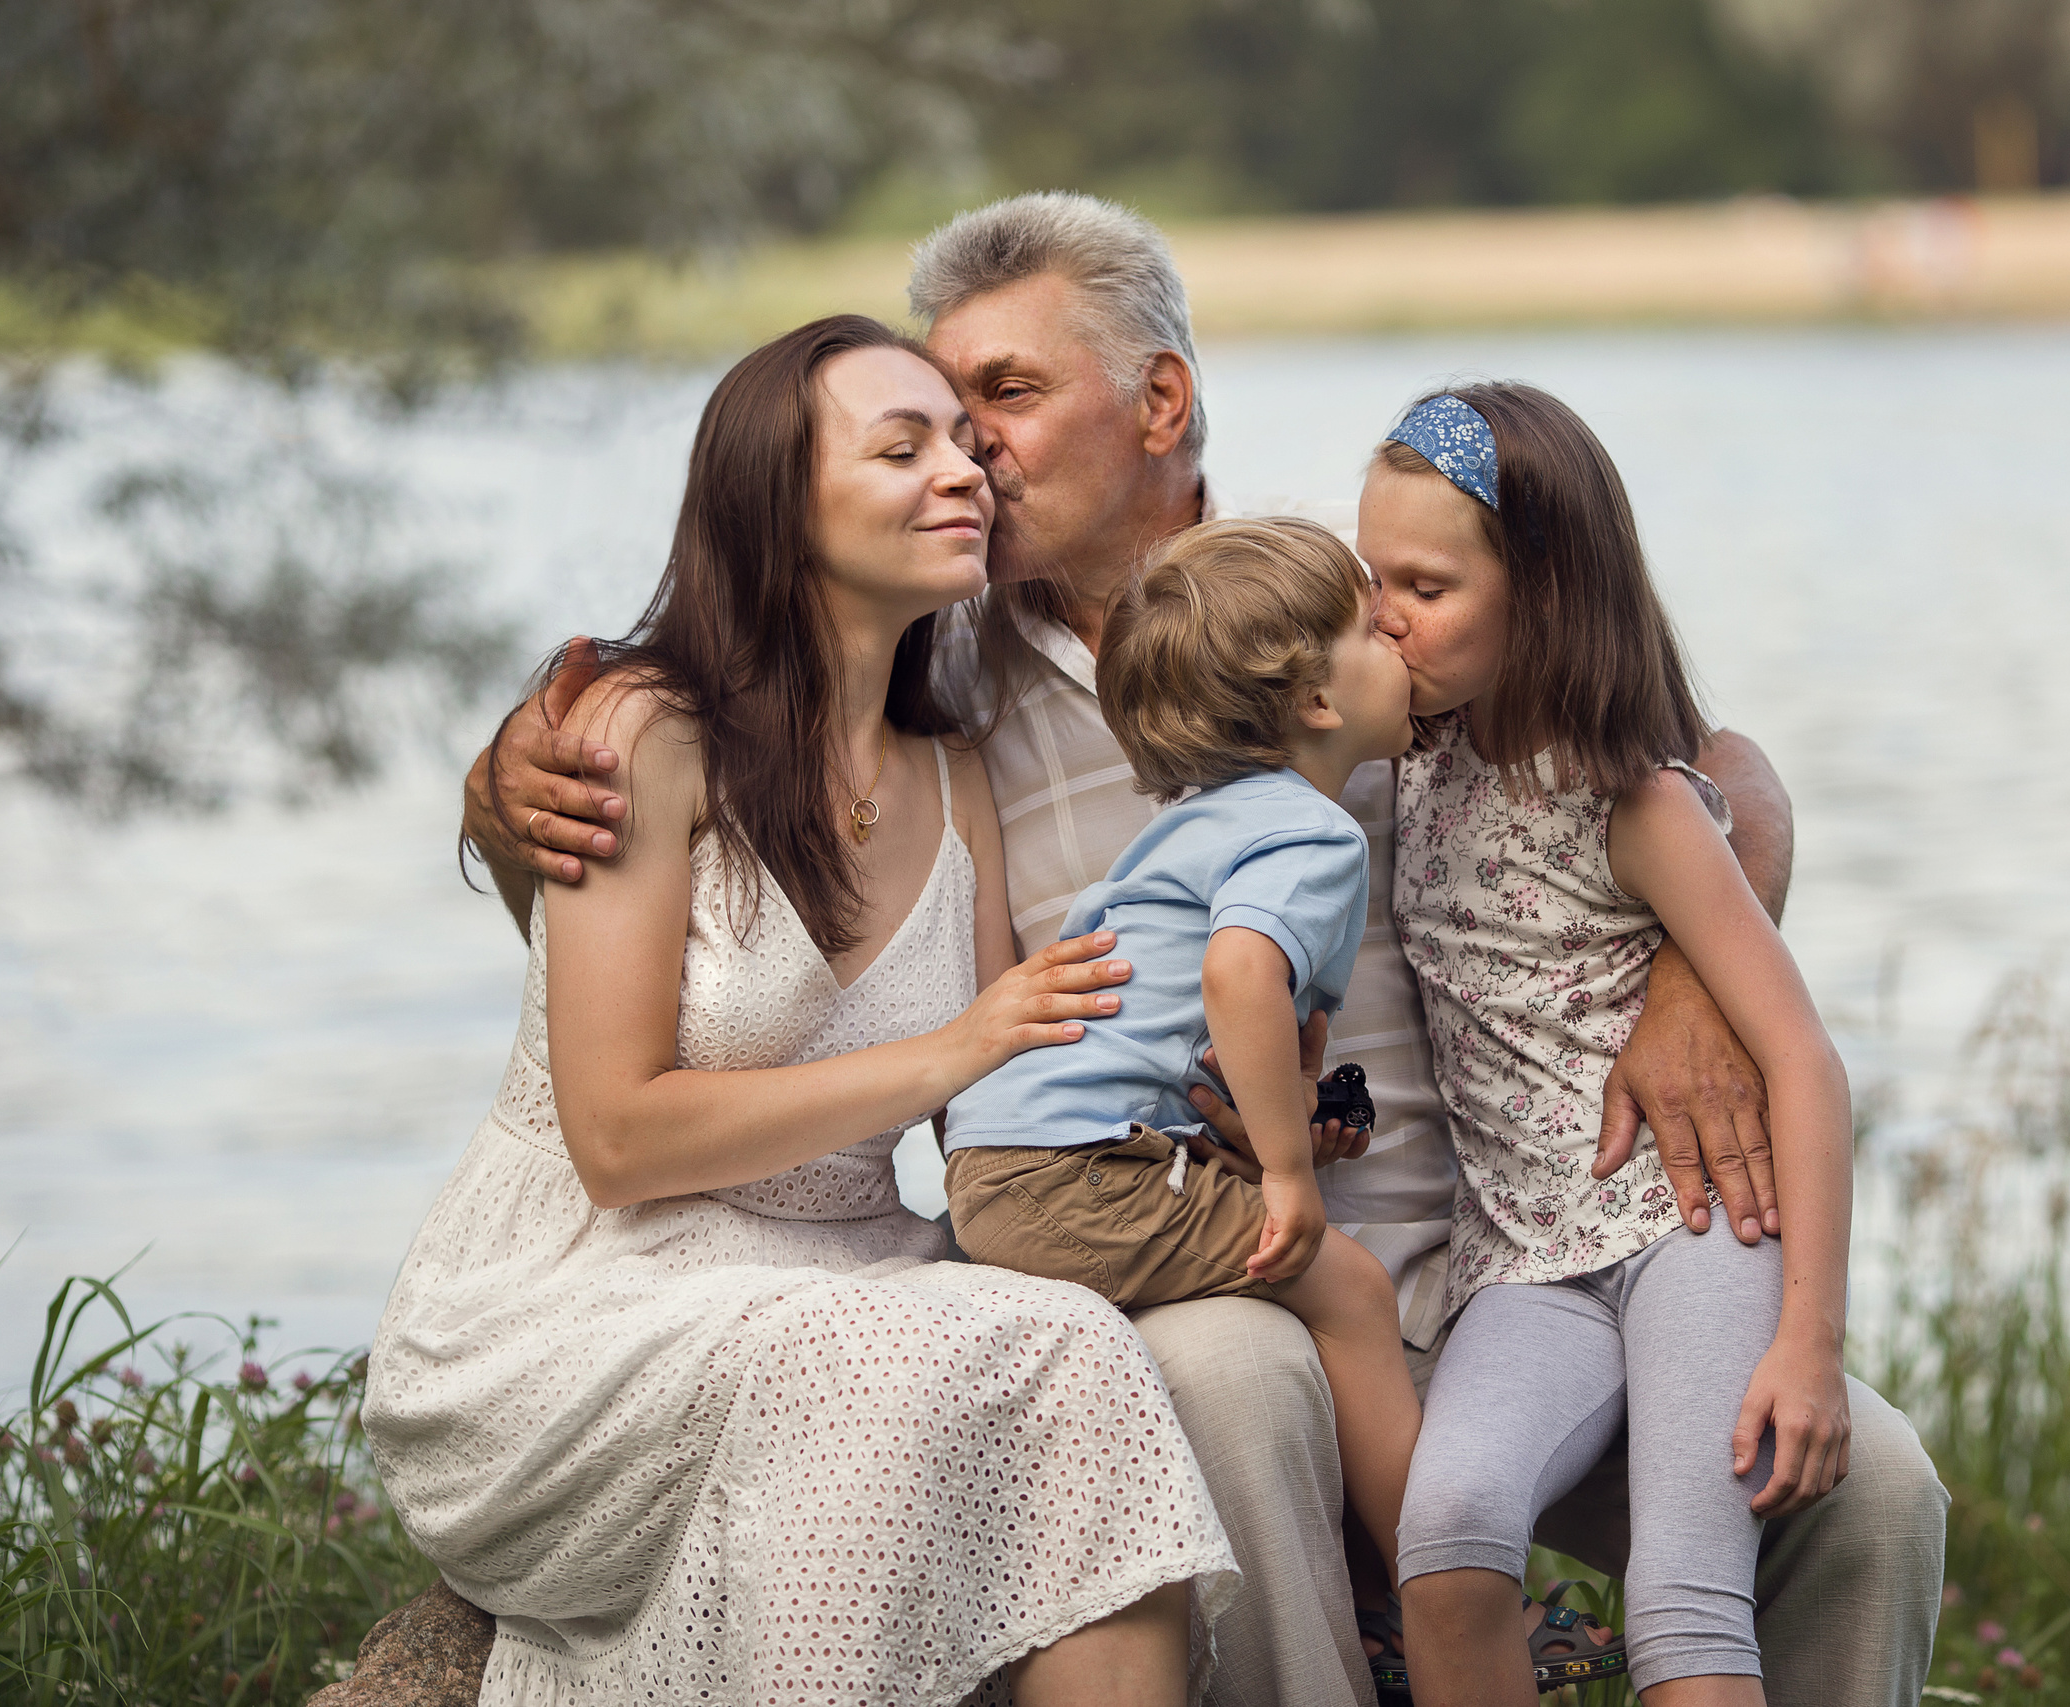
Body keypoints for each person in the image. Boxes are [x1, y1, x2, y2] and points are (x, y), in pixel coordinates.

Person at [463, 192, 1949, 1707]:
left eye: (1005, 395)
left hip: (1521, 1259)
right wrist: (508, 778)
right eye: (941, 414)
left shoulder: (1346, 610)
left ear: (1160, 400)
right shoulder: (941, 675)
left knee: (1872, 1490)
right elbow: (717, 710)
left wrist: (1693, 979)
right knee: (1229, 1383)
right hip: (1221, 1259)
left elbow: (1707, 763)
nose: (969, 450)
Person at [366, 314, 1238, 1707]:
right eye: (903, 448)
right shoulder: (641, 731)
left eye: (965, 444)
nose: (962, 472)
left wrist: (1224, 1084)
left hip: (848, 1266)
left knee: (1079, 1351)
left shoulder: (953, 783)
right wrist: (954, 1045)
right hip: (573, 1306)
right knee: (866, 1360)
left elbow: (998, 1112)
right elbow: (618, 1138)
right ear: (777, 506)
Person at [1363, 387, 1852, 1707]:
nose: (1385, 615)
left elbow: (1804, 1060)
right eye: (1370, 579)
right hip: (1521, 1259)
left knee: (1686, 1592)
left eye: (1426, 586)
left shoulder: (1631, 798)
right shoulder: (1404, 759)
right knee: (1447, 1531)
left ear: (1544, 590)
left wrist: (1809, 1341)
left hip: (1689, 1233)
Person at [943, 517, 1422, 1586]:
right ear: (1316, 701)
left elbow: (1179, 1026)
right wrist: (1289, 1177)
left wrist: (1290, 1114)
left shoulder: (1191, 828)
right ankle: (1441, 1592)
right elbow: (1238, 977)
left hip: (1001, 1161)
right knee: (1349, 1291)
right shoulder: (1313, 831)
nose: (1396, 633)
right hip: (1071, 1171)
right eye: (1369, 626)